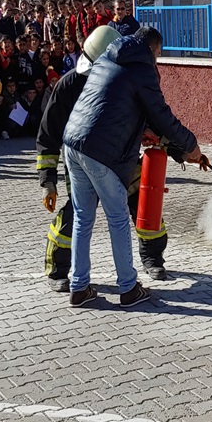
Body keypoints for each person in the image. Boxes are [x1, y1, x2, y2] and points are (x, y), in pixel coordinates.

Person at [61, 27, 203, 308]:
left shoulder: (107, 58)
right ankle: (128, 288)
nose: (158, 62)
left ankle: (79, 287)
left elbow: (115, 106)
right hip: (101, 151)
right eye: (159, 55)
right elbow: (161, 115)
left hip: (72, 143)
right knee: (117, 218)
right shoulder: (142, 69)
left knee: (82, 218)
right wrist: (191, 146)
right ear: (152, 48)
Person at [37, 25, 176, 293]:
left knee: (144, 203)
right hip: (85, 159)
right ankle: (60, 270)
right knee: (78, 216)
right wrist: (48, 181)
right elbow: (48, 134)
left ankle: (152, 258)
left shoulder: (126, 78)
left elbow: (154, 118)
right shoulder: (68, 85)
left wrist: (179, 149)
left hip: (121, 157)